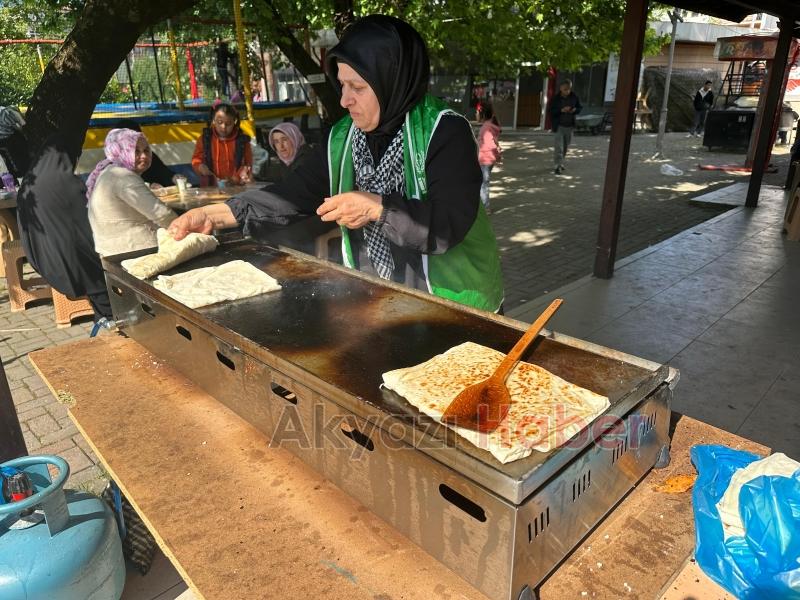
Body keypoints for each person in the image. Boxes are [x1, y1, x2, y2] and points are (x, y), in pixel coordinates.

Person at [169, 15, 504, 313]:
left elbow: (448, 224)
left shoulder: (443, 130)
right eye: (342, 85)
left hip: (456, 303)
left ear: (392, 80)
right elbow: (292, 194)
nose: (345, 100)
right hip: (384, 297)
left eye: (357, 86)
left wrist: (378, 208)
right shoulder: (343, 137)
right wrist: (213, 216)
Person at [16, 135, 112, 321]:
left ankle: (105, 318)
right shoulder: (67, 184)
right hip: (79, 263)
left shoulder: (28, 186)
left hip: (46, 260)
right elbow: (90, 222)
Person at [86, 128, 177, 257]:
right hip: (134, 252)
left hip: (112, 251)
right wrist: (187, 228)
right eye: (136, 151)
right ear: (120, 152)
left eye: (146, 150)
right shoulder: (123, 177)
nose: (144, 156)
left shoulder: (108, 171)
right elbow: (161, 214)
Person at [191, 103, 253, 187]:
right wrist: (200, 167)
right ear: (213, 120)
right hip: (210, 188)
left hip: (236, 187)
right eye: (220, 122)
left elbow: (247, 163)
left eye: (228, 124)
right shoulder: (205, 139)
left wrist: (236, 178)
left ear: (234, 122)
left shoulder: (242, 141)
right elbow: (196, 159)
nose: (223, 127)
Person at [115, 119, 177, 187]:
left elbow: (163, 172)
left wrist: (174, 177)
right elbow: (123, 185)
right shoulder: (113, 161)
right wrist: (149, 185)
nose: (143, 156)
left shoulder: (147, 153)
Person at [550, 80, 581, 175]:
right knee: (558, 147)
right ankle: (557, 165)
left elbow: (579, 107)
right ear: (561, 88)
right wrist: (561, 110)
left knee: (565, 147)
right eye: (565, 89)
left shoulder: (574, 97)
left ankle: (561, 162)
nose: (567, 91)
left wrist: (575, 110)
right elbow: (551, 111)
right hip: (559, 125)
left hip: (570, 126)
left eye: (569, 89)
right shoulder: (556, 99)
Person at [477, 104, 501, 214]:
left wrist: (497, 155)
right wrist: (497, 156)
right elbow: (495, 143)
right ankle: (483, 205)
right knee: (483, 182)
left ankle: (485, 207)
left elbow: (491, 145)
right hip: (489, 159)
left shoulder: (486, 127)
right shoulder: (491, 126)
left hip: (485, 158)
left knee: (484, 183)